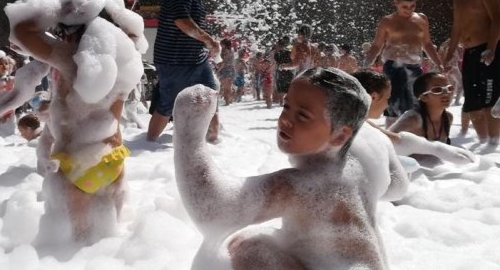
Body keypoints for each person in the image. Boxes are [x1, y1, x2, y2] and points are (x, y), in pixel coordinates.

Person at [173, 68, 408, 269]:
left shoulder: (303, 185)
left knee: (249, 247)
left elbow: (213, 212)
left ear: (339, 135)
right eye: (286, 106)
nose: (286, 120)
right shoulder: (357, 166)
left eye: (303, 116)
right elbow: (398, 187)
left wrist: (189, 133)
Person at [7, 0, 147, 245]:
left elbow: (20, 30)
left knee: (77, 246)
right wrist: (105, 4)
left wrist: (54, 6)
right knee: (112, 243)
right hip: (113, 160)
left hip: (75, 169)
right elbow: (135, 31)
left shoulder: (66, 56)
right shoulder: (122, 49)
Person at [147, 0, 220, 142]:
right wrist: (209, 40)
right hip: (174, 59)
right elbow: (182, 21)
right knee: (167, 104)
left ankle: (214, 145)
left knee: (210, 96)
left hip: (197, 59)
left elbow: (194, 25)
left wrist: (207, 43)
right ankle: (149, 144)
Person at [352, 69, 473, 163]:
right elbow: (389, 147)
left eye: (450, 88)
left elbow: (390, 140)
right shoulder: (413, 120)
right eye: (437, 90)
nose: (446, 93)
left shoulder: (448, 118)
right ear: (424, 97)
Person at [365, 0, 444, 127]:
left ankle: (413, 136)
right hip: (393, 67)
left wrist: (439, 63)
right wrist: (367, 63)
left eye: (412, 6)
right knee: (393, 106)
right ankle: (392, 137)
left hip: (414, 67)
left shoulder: (421, 19)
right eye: (404, 6)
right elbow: (377, 45)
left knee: (416, 104)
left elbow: (427, 44)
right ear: (395, 2)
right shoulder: (387, 21)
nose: (408, 10)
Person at [442, 0, 500, 145]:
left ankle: (494, 143)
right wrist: (449, 55)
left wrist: (491, 48)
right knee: (472, 101)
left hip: (488, 49)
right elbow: (457, 27)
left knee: (489, 101)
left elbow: (497, 20)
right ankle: (484, 146)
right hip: (470, 52)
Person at [272, 36, 293, 106]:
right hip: (288, 70)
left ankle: (282, 102)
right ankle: (284, 102)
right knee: (287, 87)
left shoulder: (279, 49)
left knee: (281, 87)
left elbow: (275, 58)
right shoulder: (291, 48)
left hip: (281, 70)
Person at [216, 39, 235, 105]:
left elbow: (223, 62)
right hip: (231, 69)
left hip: (225, 69)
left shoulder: (224, 51)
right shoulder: (232, 50)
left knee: (225, 86)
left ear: (224, 44)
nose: (220, 45)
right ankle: (229, 99)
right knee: (228, 86)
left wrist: (218, 70)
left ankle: (227, 101)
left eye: (221, 44)